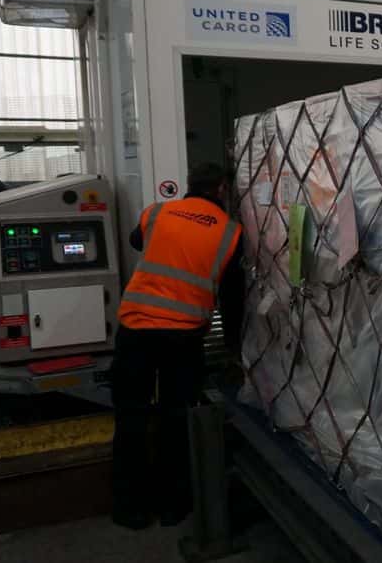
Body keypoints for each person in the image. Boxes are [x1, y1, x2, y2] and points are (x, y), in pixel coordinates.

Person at [110, 162, 245, 530]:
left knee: (131, 415)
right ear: (221, 190)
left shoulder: (157, 213)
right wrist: (235, 349)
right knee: (177, 417)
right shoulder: (230, 233)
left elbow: (136, 242)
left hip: (135, 328)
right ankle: (173, 506)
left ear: (190, 185)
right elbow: (233, 301)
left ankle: (129, 509)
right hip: (182, 337)